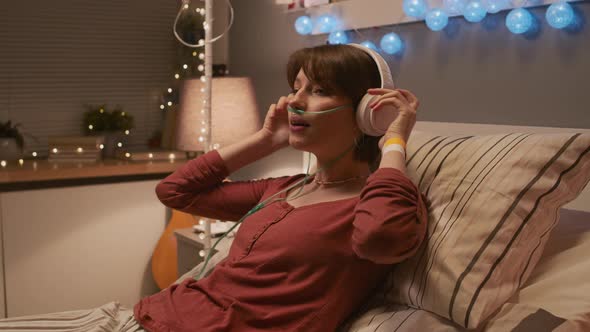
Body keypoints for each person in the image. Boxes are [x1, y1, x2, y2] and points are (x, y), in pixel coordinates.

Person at [0, 43, 428, 332]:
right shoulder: (286, 188)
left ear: (367, 112)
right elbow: (176, 192)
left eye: (318, 90)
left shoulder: (379, 200)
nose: (295, 101)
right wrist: (265, 140)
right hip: (139, 318)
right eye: (295, 88)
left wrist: (393, 139)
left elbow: (381, 237)